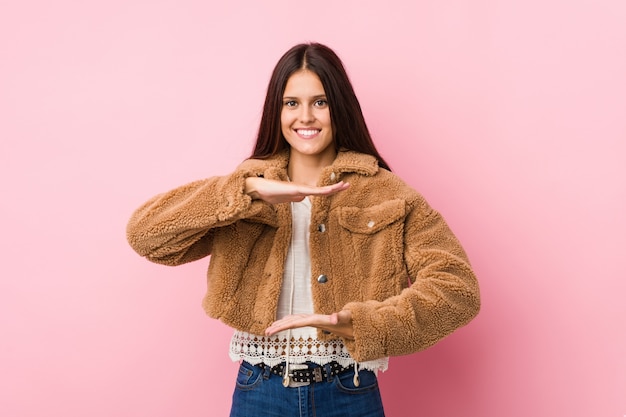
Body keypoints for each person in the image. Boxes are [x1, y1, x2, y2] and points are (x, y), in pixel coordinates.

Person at [126, 42, 480, 417]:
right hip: (259, 390)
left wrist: (360, 325)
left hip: (349, 391)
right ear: (276, 111)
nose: (306, 116)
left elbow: (457, 290)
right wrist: (245, 190)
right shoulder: (245, 190)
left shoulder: (386, 192)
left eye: (321, 102)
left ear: (340, 107)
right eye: (292, 103)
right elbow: (146, 236)